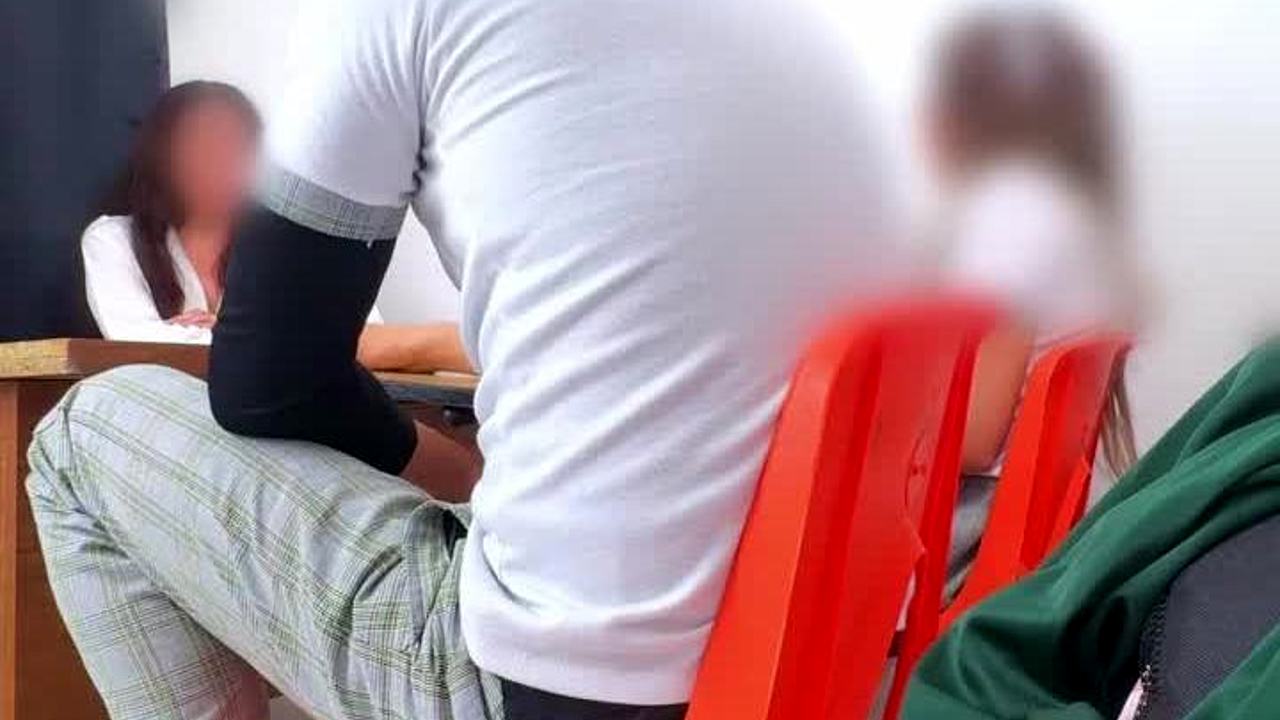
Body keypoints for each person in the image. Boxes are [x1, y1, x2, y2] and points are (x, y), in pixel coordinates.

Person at [26, 2, 902, 719]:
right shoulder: (800, 34)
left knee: (79, 434)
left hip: (571, 684)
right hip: (814, 656)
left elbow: (266, 381)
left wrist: (450, 466)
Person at [924, 10, 1141, 580]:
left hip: (964, 530)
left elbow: (972, 438)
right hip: (1017, 532)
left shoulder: (1009, 218)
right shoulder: (1069, 216)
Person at [82, 82, 262, 344]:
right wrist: (233, 338)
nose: (225, 163)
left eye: (239, 146)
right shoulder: (113, 239)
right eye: (206, 147)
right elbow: (134, 339)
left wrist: (221, 333)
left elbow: (299, 343)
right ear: (162, 156)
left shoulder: (273, 250)